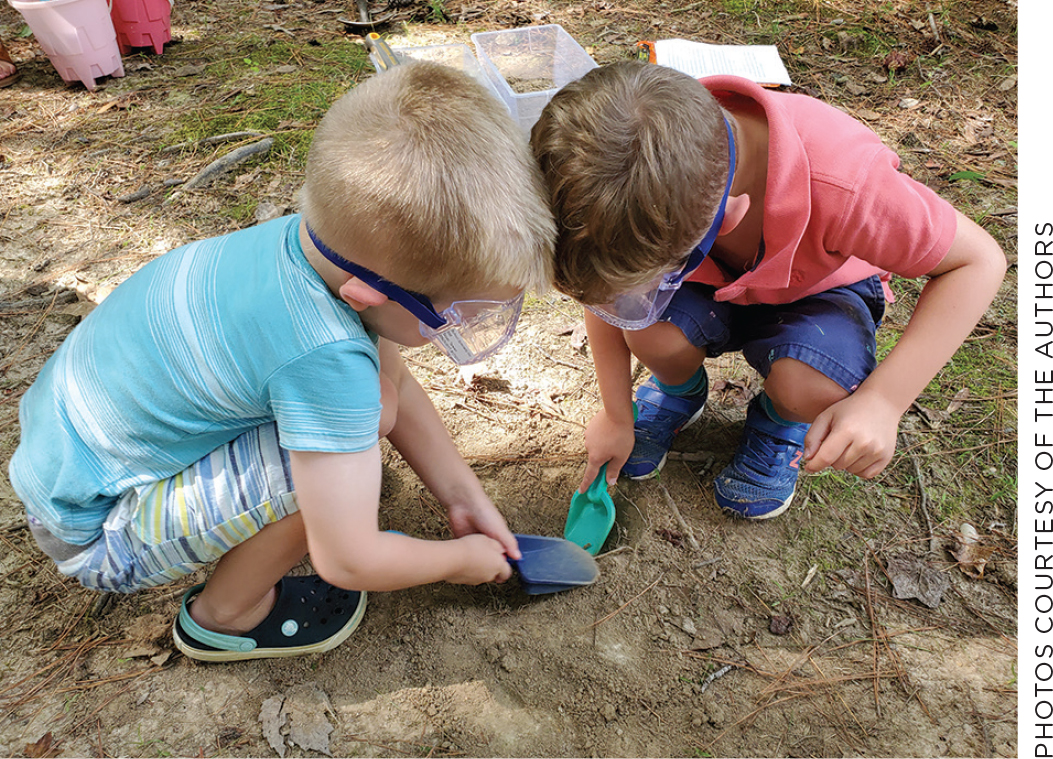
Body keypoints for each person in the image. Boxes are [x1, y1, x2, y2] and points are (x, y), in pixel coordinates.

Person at [9, 61, 555, 661]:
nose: (466, 326)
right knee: (348, 444)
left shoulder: (321, 244)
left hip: (63, 457)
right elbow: (348, 558)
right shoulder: (325, 356)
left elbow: (388, 361)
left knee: (369, 406)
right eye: (461, 313)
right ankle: (227, 615)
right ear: (368, 297)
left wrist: (461, 496)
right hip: (96, 531)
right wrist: (457, 562)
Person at [531, 61, 1006, 520]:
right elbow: (606, 291)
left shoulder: (846, 185)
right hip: (709, 278)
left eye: (642, 280)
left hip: (820, 290)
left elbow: (978, 261)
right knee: (651, 331)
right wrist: (616, 413)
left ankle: (780, 421)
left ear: (729, 219)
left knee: (812, 381)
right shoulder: (645, 159)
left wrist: (885, 401)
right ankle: (679, 391)